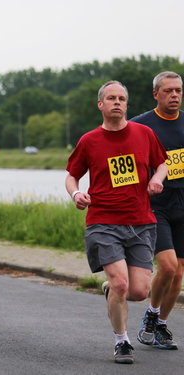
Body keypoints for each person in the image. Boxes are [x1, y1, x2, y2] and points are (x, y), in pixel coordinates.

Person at [65, 81, 168, 364]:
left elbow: (162, 163)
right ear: (101, 104)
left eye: (122, 98)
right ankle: (122, 341)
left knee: (138, 291)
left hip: (141, 222)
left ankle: (112, 291)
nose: (117, 103)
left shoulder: (144, 134)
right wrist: (76, 193)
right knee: (122, 283)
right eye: (111, 98)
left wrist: (157, 179)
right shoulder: (89, 141)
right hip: (103, 222)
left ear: (127, 104)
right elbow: (71, 175)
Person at [131, 71, 184, 350]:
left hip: (183, 203)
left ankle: (160, 323)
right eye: (168, 91)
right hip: (156, 205)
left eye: (178, 90)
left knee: (178, 273)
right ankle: (151, 315)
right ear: (156, 94)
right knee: (167, 265)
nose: (174, 95)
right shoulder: (140, 126)